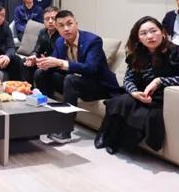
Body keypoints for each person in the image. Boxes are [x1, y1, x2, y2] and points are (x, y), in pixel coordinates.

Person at [97, 17, 179, 154]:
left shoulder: (177, 52)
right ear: (138, 38)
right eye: (143, 33)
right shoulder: (137, 54)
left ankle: (119, 141)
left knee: (143, 114)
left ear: (162, 32)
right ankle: (106, 134)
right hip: (142, 94)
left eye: (153, 31)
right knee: (120, 101)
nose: (150, 36)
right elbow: (128, 80)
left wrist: (159, 81)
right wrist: (134, 92)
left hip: (162, 99)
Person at [34, 10, 122, 144]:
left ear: (76, 23)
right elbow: (54, 62)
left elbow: (91, 69)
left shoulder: (93, 41)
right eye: (61, 25)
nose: (66, 28)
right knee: (40, 73)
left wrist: (60, 63)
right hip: (76, 82)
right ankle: (47, 116)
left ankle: (65, 131)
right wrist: (42, 63)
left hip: (99, 85)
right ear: (57, 28)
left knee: (71, 80)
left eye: (69, 24)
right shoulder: (60, 42)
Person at [23, 6, 60, 82]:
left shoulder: (62, 34)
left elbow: (60, 56)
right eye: (47, 19)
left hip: (56, 65)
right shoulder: (42, 32)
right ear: (43, 21)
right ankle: (29, 87)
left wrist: (43, 60)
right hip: (43, 61)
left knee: (40, 72)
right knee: (25, 62)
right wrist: (33, 57)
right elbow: (37, 50)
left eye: (53, 18)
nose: (50, 21)